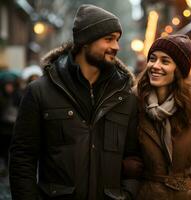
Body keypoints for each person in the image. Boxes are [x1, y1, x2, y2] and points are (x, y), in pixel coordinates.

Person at [9, 4, 142, 200]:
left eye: (117, 39)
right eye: (109, 39)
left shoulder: (125, 97)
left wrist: (127, 195)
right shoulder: (40, 92)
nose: (116, 46)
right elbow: (22, 159)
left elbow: (133, 159)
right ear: (85, 41)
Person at [135, 34, 191, 200]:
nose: (155, 65)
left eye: (165, 61)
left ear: (179, 69)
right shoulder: (135, 103)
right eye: (152, 59)